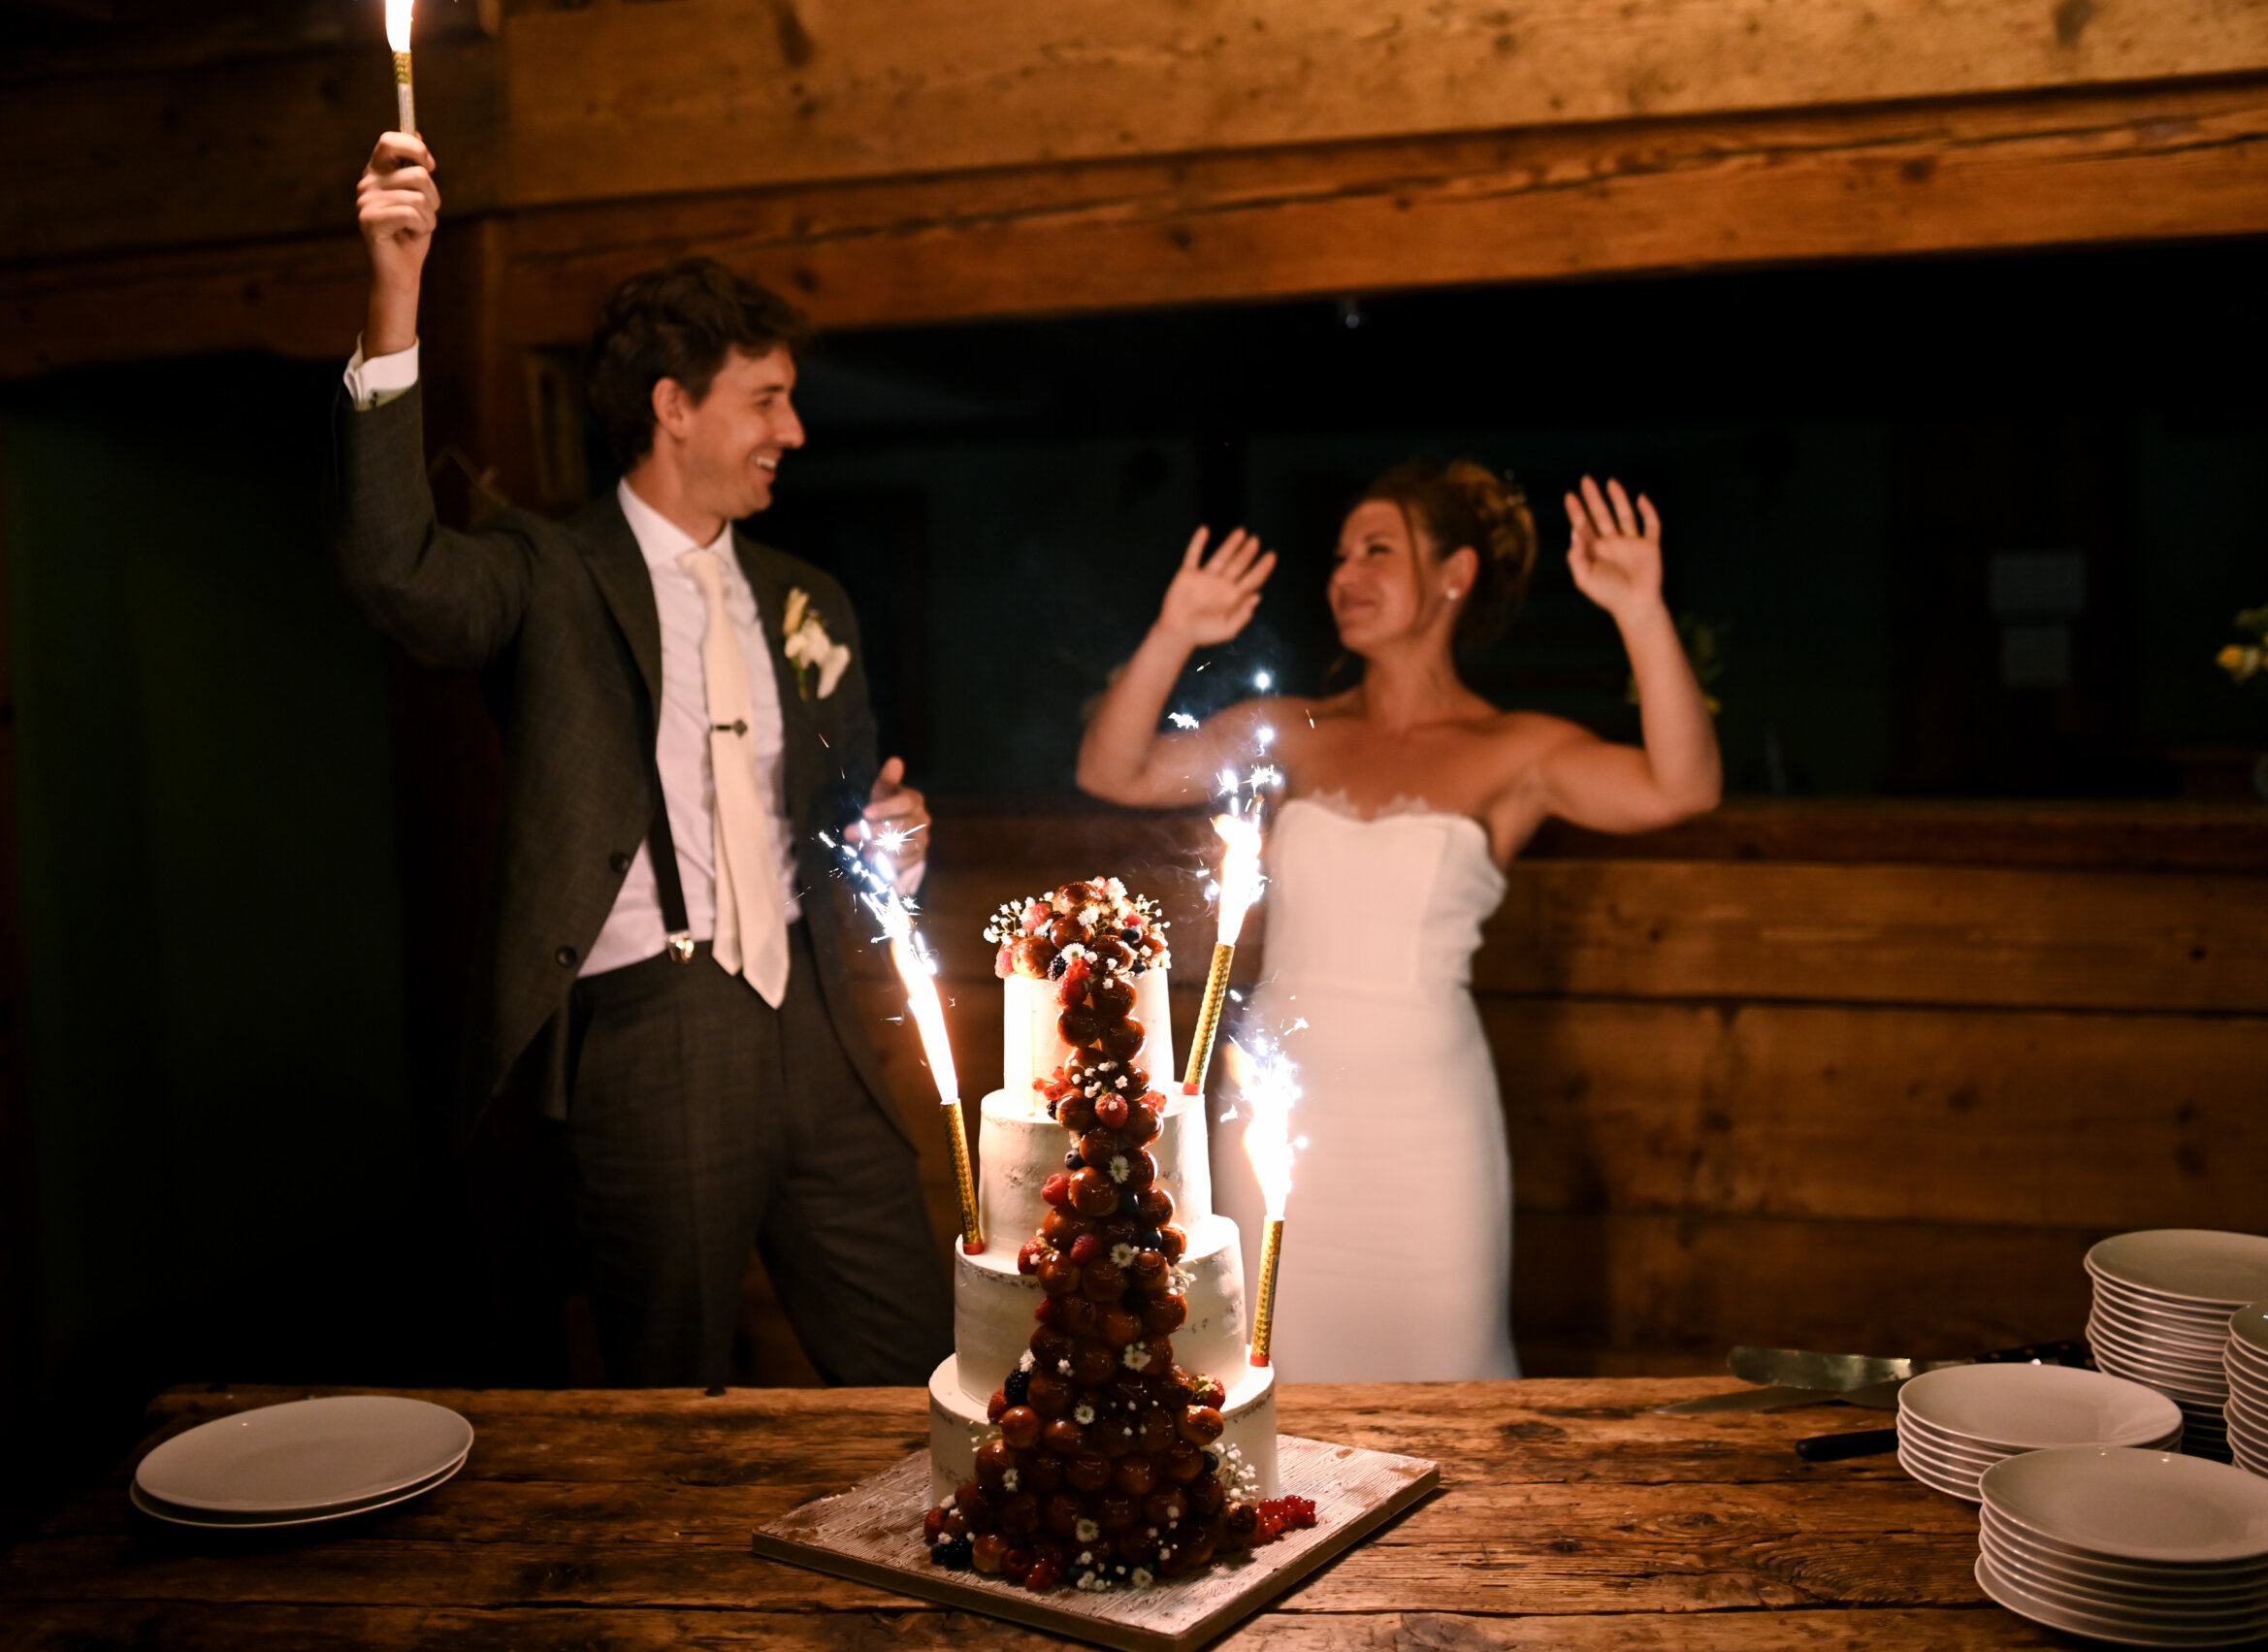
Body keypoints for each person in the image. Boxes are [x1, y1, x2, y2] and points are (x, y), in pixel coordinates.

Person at [335, 130, 950, 1387]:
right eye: (765, 399)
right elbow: (398, 577)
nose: (796, 430)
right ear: (674, 406)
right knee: (665, 1389)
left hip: (822, 1022)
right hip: (651, 1025)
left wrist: (884, 843)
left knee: (915, 1359)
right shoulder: (548, 570)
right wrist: (396, 295)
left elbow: (843, 814)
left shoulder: (808, 596)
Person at [1076, 462, 1721, 1379]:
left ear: (1455, 574)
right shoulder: (1292, 729)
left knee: (1450, 1386)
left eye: (1378, 550)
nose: (1347, 573)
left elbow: (1683, 785)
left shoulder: (1515, 750)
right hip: (1280, 1106)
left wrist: (1641, 610)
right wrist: (1176, 628)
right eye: (1341, 554)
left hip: (1430, 1124)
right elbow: (1115, 770)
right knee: (1263, 1372)